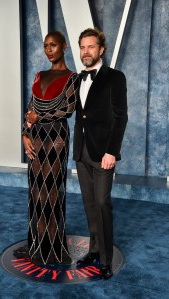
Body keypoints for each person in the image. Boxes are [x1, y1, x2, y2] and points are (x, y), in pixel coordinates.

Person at [14, 31, 79, 265]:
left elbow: (68, 110)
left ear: (64, 46)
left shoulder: (73, 77)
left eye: (53, 45)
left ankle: (54, 246)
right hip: (37, 138)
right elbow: (30, 110)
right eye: (45, 46)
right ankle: (36, 244)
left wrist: (38, 117)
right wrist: (24, 133)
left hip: (57, 138)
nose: (49, 49)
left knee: (52, 191)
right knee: (35, 191)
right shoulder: (39, 75)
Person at [73, 28, 128, 279]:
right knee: (90, 204)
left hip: (103, 153)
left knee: (103, 204)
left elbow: (120, 117)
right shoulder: (76, 79)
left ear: (101, 49)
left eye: (91, 47)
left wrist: (112, 152)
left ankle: (105, 260)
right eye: (83, 47)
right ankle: (94, 249)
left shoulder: (115, 78)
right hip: (82, 152)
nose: (86, 51)